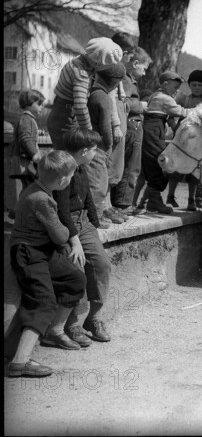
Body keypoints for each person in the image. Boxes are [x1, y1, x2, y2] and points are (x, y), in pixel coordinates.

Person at [7, 150, 86, 377]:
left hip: (41, 250)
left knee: (75, 278)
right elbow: (61, 236)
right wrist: (67, 231)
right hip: (29, 253)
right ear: (63, 180)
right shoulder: (42, 199)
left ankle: (55, 330)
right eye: (71, 176)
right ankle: (20, 362)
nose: (71, 179)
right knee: (43, 301)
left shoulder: (38, 189)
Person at [55, 128, 113, 344]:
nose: (95, 154)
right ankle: (72, 322)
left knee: (101, 264)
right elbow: (61, 210)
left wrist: (94, 227)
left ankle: (94, 317)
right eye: (94, 150)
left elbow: (87, 197)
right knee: (76, 270)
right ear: (84, 151)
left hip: (83, 222)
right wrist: (75, 241)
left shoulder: (81, 168)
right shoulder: (63, 171)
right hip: (66, 225)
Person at [47, 37, 123, 150]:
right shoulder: (81, 74)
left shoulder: (80, 61)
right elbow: (80, 107)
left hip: (61, 113)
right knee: (67, 158)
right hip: (65, 120)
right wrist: (89, 132)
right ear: (98, 64)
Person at [141, 71, 189, 214]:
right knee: (161, 161)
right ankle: (154, 201)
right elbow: (181, 112)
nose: (177, 90)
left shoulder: (155, 95)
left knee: (156, 162)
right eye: (175, 87)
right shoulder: (164, 99)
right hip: (155, 131)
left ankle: (153, 200)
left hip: (154, 129)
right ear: (165, 84)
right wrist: (201, 111)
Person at [112, 47, 153, 213]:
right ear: (135, 63)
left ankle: (118, 202)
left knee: (125, 165)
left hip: (130, 125)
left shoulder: (126, 79)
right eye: (143, 68)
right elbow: (125, 102)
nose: (144, 73)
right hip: (132, 125)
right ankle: (124, 204)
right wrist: (141, 106)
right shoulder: (127, 81)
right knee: (132, 166)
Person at [85, 63, 127, 224]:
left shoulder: (94, 94)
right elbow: (105, 126)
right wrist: (109, 145)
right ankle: (94, 217)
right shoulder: (103, 98)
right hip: (99, 148)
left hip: (95, 147)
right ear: (115, 82)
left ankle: (98, 213)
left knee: (100, 182)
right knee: (98, 185)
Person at [167, 69, 202, 211]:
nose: (197, 88)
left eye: (200, 85)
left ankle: (191, 200)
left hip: (197, 143)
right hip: (182, 142)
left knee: (195, 171)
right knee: (176, 169)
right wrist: (175, 128)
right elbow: (169, 116)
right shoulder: (184, 99)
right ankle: (170, 197)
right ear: (189, 86)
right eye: (194, 85)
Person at [107, 32, 138, 219]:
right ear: (123, 51)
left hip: (119, 116)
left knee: (117, 164)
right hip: (114, 120)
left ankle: (109, 205)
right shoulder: (110, 67)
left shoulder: (117, 67)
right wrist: (117, 124)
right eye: (129, 55)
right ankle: (106, 205)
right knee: (110, 163)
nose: (130, 59)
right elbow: (110, 97)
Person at [7, 89, 46, 216]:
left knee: (28, 186)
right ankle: (21, 211)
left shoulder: (26, 119)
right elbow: (25, 137)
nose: (42, 107)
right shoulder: (26, 119)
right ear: (29, 104)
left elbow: (28, 134)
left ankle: (18, 210)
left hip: (23, 159)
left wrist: (38, 132)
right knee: (33, 185)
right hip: (24, 160)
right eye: (39, 104)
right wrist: (35, 154)